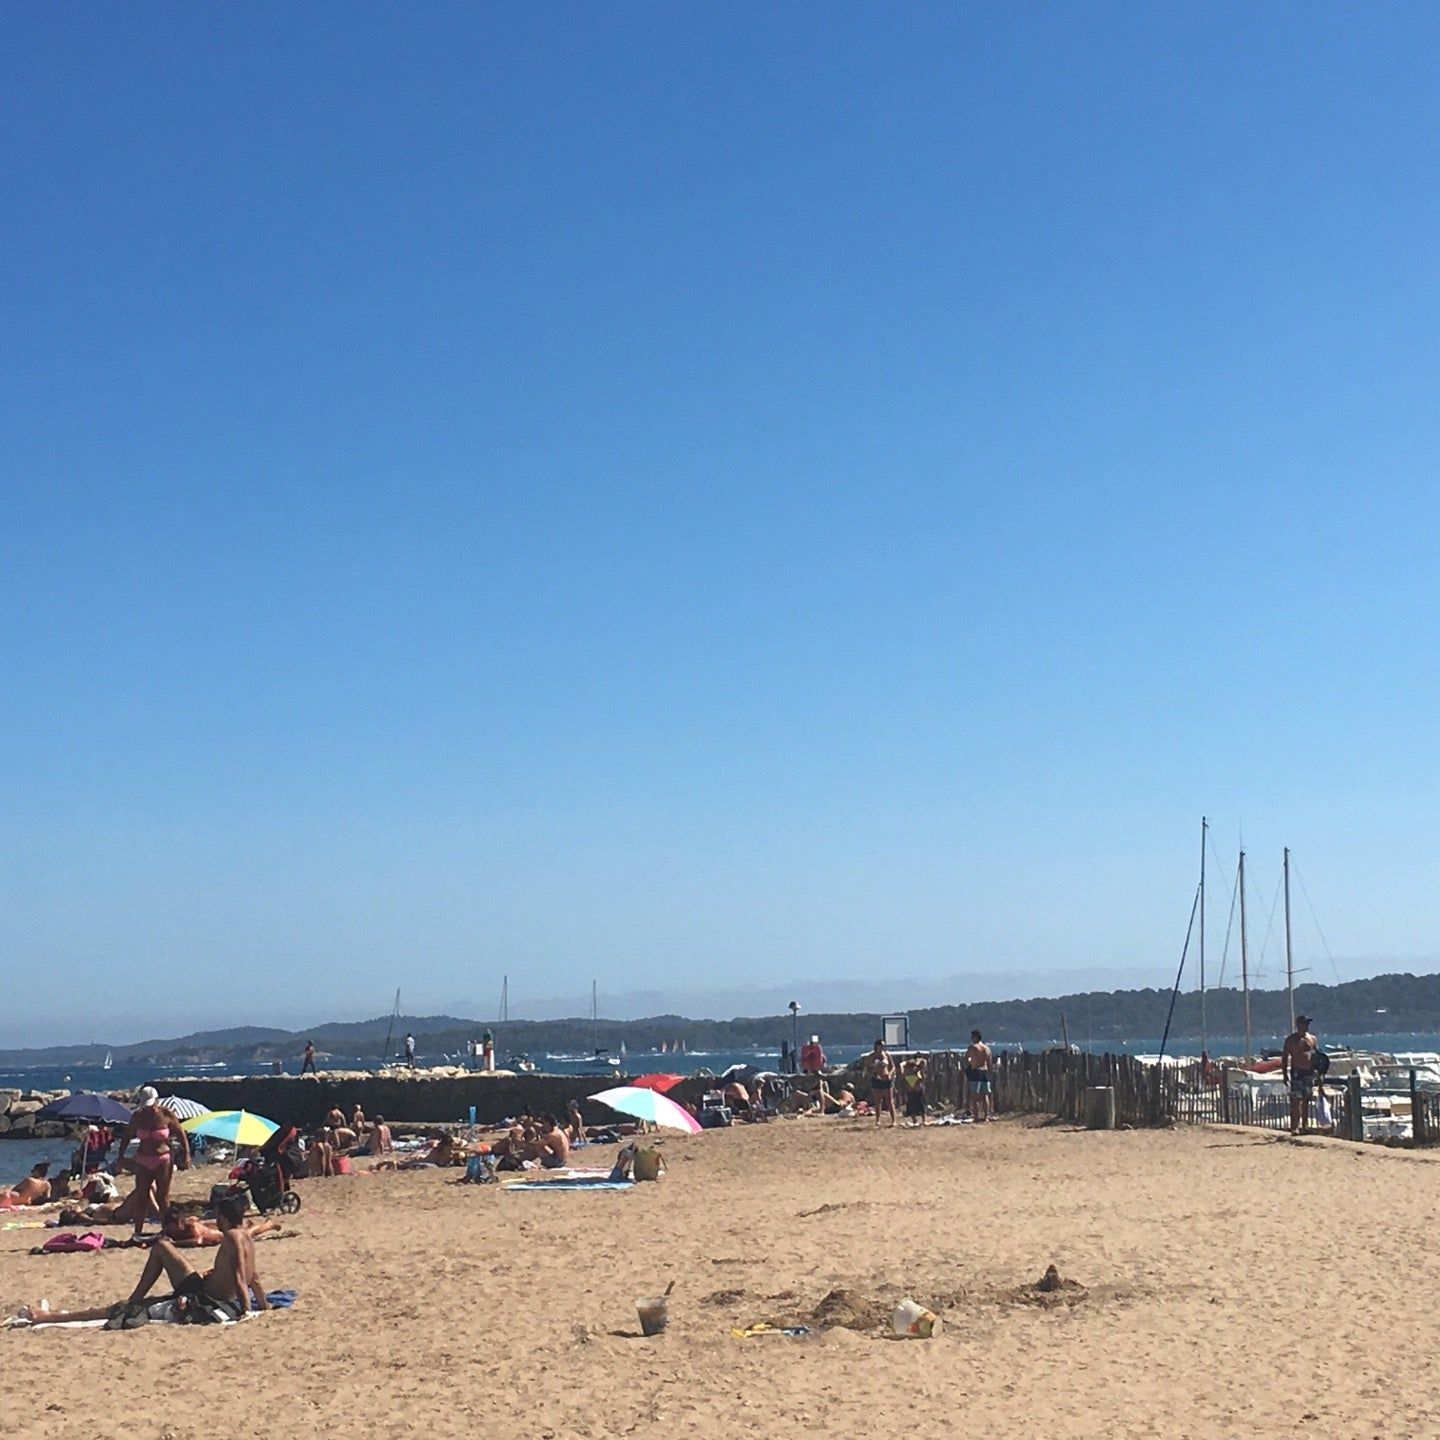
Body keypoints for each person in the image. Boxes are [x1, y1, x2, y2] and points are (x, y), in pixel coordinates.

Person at [20, 1195, 268, 1327]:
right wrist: (263, 1306)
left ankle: (47, 1318)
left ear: (224, 1218)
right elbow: (252, 1276)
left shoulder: (232, 1238)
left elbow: (238, 1277)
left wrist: (246, 1311)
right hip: (206, 1289)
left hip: (203, 1298)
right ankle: (134, 1299)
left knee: (158, 1249)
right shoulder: (246, 1237)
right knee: (162, 1246)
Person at [115, 1087, 190, 1238]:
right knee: (141, 1196)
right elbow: (127, 1135)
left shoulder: (166, 1114)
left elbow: (180, 1133)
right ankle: (138, 1231)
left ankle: (166, 1229)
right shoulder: (138, 1116)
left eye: (151, 1104)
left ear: (157, 1100)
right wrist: (121, 1156)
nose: (149, 1108)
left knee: (163, 1197)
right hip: (143, 1159)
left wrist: (186, 1154)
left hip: (162, 1159)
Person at [1282, 1014, 1319, 1135]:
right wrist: (1285, 1074)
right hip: (1297, 1072)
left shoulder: (1312, 1038)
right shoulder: (1291, 1040)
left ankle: (1304, 1126)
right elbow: (1285, 1057)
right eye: (1304, 1023)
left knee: (1306, 1100)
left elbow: (1316, 1056)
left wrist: (1318, 1072)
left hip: (1308, 1073)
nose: (1307, 1026)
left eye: (1308, 1024)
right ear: (1298, 1025)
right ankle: (1295, 1126)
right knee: (1296, 1101)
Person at [965, 1030, 994, 1123]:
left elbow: (966, 1059)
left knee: (975, 1096)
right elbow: (989, 1064)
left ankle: (976, 1117)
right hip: (985, 1072)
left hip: (976, 1071)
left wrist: (970, 1064)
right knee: (985, 1095)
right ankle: (985, 1116)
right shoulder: (987, 1049)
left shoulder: (973, 1048)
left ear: (975, 1037)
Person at [867, 1040, 897, 1127]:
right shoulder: (871, 1056)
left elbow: (893, 1066)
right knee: (878, 1101)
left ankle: (893, 1120)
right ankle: (878, 1120)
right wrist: (873, 1071)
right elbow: (867, 1068)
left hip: (886, 1078)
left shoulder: (887, 1055)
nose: (882, 1047)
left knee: (889, 1100)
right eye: (881, 1046)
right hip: (876, 1079)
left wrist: (890, 1074)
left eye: (883, 1046)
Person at [901, 1055, 928, 1126]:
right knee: (911, 1104)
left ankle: (923, 1120)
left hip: (916, 1085)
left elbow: (922, 1076)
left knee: (920, 1103)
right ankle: (915, 1120)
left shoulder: (919, 1067)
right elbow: (902, 1066)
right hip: (911, 1085)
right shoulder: (907, 1066)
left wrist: (918, 1064)